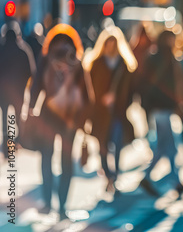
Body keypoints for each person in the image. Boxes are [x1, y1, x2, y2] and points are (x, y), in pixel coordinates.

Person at [29, 24, 93, 219]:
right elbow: (87, 94)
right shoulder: (77, 61)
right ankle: (63, 207)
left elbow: (36, 85)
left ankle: (48, 203)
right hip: (70, 119)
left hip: (48, 116)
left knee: (46, 158)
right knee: (66, 162)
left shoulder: (46, 59)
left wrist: (31, 108)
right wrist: (85, 119)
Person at [84, 26, 137, 193]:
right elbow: (90, 89)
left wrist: (120, 101)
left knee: (118, 143)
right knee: (103, 146)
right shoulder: (96, 63)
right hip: (100, 113)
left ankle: (115, 176)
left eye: (114, 43)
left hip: (118, 113)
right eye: (109, 43)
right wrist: (101, 99)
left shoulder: (124, 64)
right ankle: (108, 176)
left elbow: (131, 91)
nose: (111, 46)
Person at [139, 30, 183, 196]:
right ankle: (175, 182)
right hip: (161, 108)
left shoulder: (161, 57)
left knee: (163, 147)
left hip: (162, 108)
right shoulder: (164, 58)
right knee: (171, 147)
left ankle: (148, 177)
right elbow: (158, 85)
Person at [0, 22, 35, 157]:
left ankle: (5, 144)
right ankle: (17, 141)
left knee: (4, 119)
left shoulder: (1, 50)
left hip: (2, 92)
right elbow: (31, 72)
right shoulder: (23, 50)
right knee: (18, 117)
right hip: (18, 92)